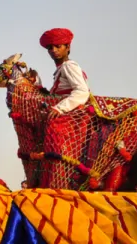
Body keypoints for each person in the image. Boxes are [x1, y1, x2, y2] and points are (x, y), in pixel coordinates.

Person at [39, 28, 91, 185]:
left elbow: (82, 92)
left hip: (72, 119)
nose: (54, 50)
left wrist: (59, 109)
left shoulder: (69, 65)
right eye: (50, 48)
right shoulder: (60, 70)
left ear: (68, 47)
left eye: (58, 46)